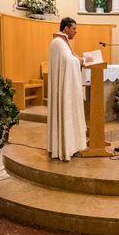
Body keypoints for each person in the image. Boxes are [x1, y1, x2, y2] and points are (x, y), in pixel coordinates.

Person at [47, 17, 93, 161]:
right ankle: (66, 147)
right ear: (66, 28)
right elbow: (69, 61)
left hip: (67, 88)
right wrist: (83, 61)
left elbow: (70, 58)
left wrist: (79, 59)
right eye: (74, 29)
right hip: (63, 91)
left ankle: (71, 145)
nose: (75, 32)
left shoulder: (63, 42)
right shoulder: (58, 42)